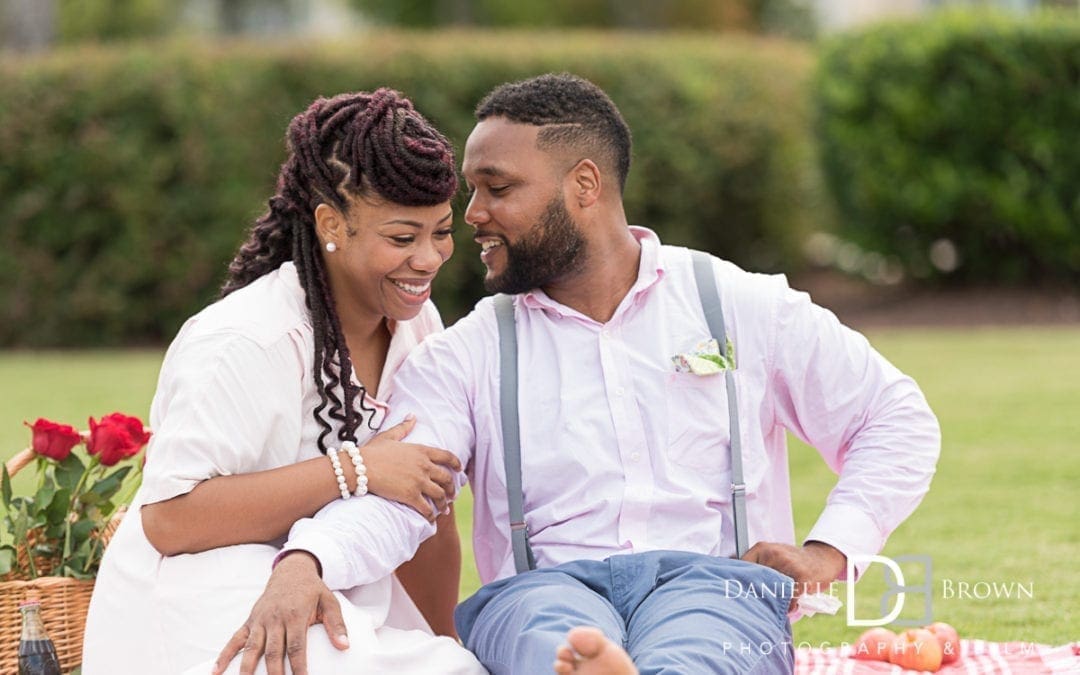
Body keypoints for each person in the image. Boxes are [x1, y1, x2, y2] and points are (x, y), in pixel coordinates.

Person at [215, 73, 941, 675]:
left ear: (583, 185)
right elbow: (401, 496)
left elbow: (894, 419)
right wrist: (308, 556)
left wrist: (832, 549)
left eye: (497, 188)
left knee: (703, 650)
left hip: (713, 583)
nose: (473, 215)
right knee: (550, 641)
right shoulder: (464, 354)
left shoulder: (742, 306)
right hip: (540, 592)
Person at [81, 89, 486, 675]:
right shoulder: (245, 341)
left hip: (334, 589)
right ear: (330, 224)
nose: (428, 259)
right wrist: (357, 469)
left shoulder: (417, 323)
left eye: (441, 232)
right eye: (402, 238)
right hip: (204, 601)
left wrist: (450, 640)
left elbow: (426, 506)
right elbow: (169, 519)